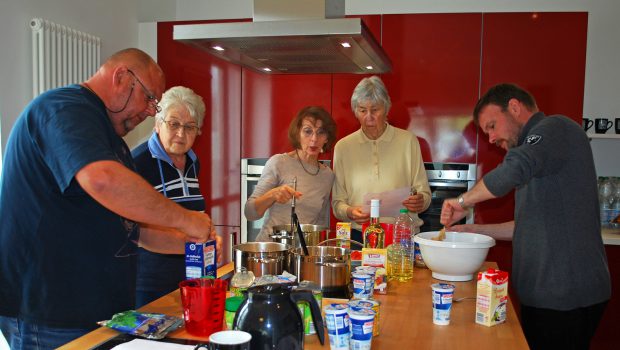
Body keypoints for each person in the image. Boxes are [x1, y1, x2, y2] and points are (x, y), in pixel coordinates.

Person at [0, 48, 217, 350]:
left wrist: (194, 241)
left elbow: (136, 230)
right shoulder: (63, 109)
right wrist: (186, 218)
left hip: (99, 315)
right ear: (122, 78)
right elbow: (102, 180)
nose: (151, 110)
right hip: (50, 315)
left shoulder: (110, 140)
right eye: (150, 97)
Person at [440, 83, 611, 350]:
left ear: (515, 108)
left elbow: (514, 168)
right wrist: (473, 231)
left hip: (566, 296)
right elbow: (528, 225)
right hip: (549, 296)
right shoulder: (540, 156)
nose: (491, 139)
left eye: (492, 126)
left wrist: (463, 201)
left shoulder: (555, 129)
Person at [132, 86, 211, 308]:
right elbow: (138, 230)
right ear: (158, 124)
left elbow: (192, 212)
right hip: (149, 282)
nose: (181, 134)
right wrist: (199, 242)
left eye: (189, 127)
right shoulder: (138, 162)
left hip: (189, 274)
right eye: (174, 124)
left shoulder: (193, 162)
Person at [331, 76, 431, 244]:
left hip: (401, 236)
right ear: (355, 111)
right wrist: (350, 212)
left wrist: (419, 201)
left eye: (375, 109)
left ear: (386, 108)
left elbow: (425, 196)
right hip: (358, 237)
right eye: (362, 110)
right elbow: (337, 204)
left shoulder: (408, 141)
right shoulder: (343, 147)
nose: (368, 117)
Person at [245, 106, 336, 242]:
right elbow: (250, 212)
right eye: (307, 131)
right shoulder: (279, 162)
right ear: (297, 133)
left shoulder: (327, 175)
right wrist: (272, 195)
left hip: (302, 254)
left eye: (321, 132)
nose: (314, 139)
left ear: (327, 138)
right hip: (271, 252)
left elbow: (321, 222)